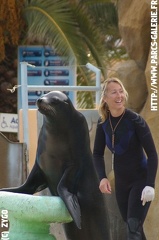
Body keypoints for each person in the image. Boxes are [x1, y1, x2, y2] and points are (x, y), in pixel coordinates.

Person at [93, 77, 158, 240]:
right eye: (114, 92)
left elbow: (152, 154)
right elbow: (97, 154)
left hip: (140, 182)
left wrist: (150, 185)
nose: (119, 95)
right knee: (134, 229)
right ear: (105, 98)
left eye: (121, 91)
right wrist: (102, 178)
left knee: (133, 229)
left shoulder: (135, 121)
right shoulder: (103, 124)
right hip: (122, 185)